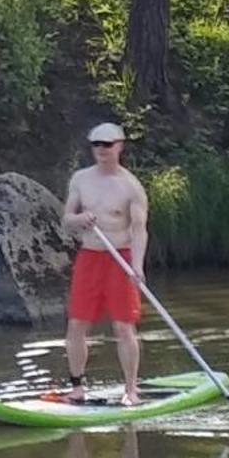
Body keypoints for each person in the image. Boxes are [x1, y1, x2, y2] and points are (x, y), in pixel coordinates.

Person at [62, 120, 148, 403]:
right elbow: (67, 221)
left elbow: (139, 229)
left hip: (120, 257)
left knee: (123, 326)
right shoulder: (81, 179)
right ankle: (76, 386)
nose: (101, 150)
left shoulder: (131, 187)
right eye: (96, 145)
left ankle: (131, 390)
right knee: (77, 323)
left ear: (119, 147)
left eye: (107, 145)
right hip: (90, 255)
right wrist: (80, 218)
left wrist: (137, 265)